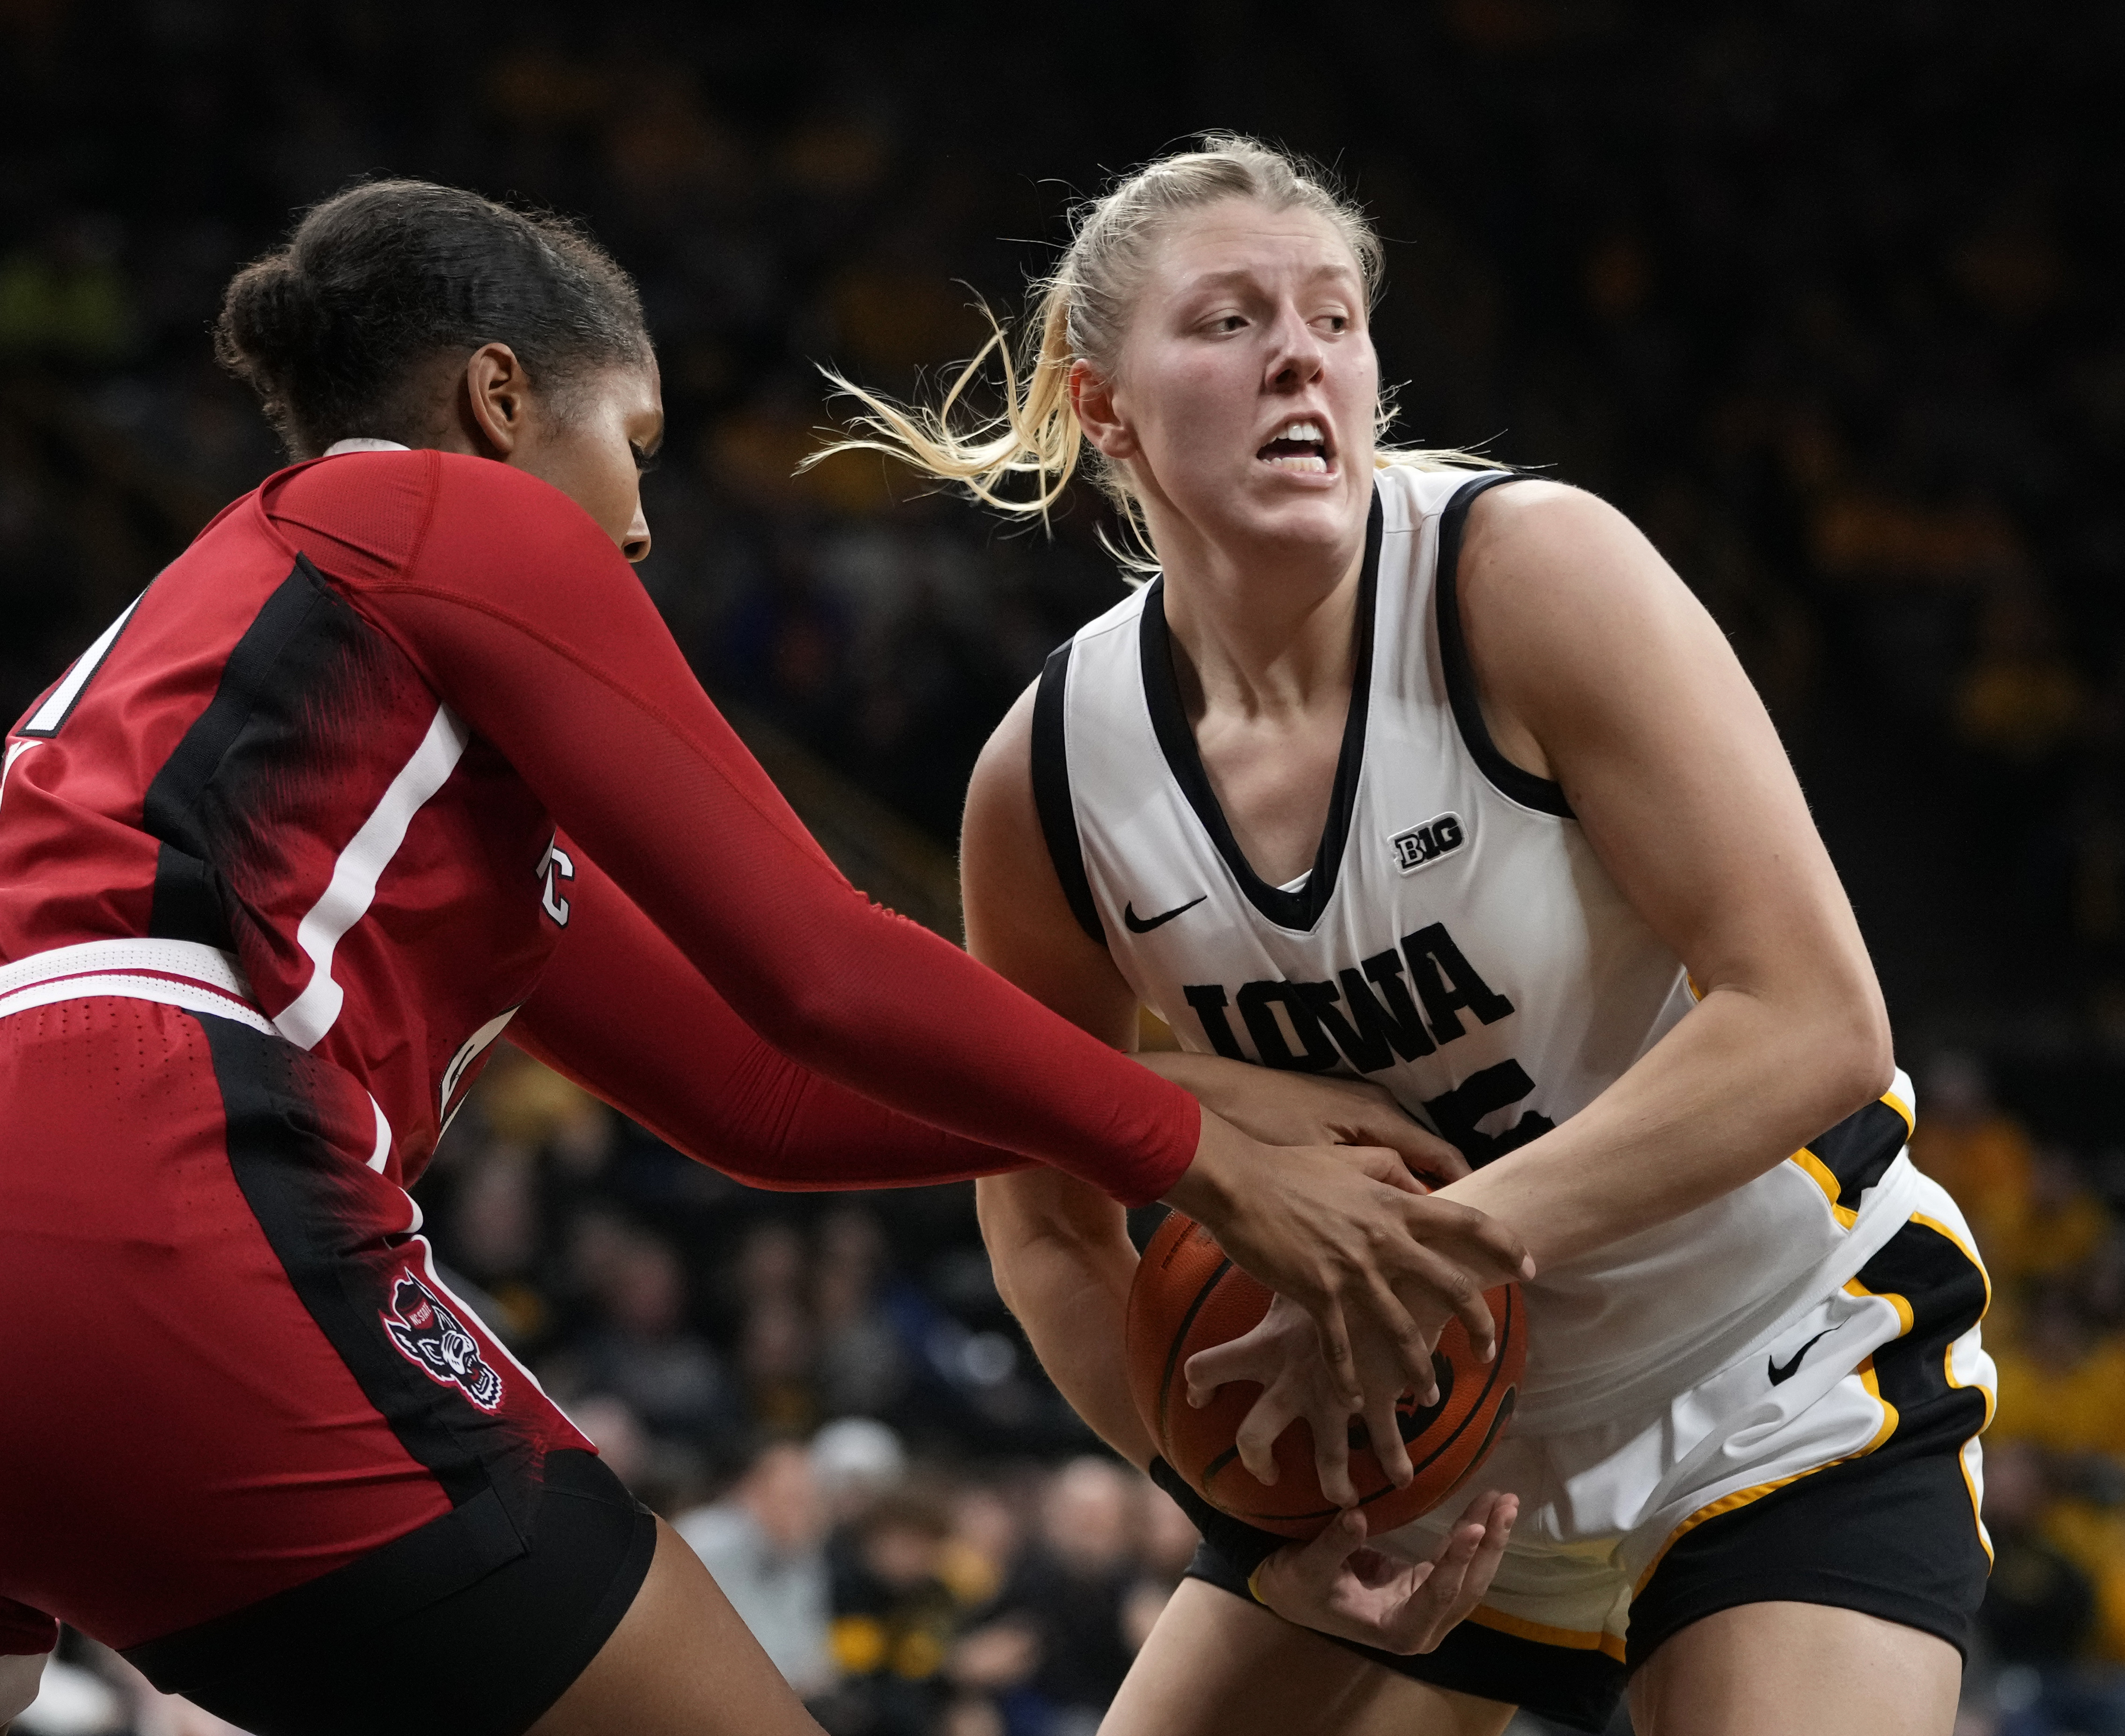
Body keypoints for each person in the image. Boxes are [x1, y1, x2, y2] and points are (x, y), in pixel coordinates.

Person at [0, 177, 1527, 1736]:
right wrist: (1199, 1165)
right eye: (633, 447)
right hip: (108, 1166)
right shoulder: (432, 506)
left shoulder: (340, 727)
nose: (637, 522)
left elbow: (768, 1105)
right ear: (499, 399)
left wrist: (1184, 1083)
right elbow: (817, 963)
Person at [833, 136, 1995, 1735]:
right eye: (1229, 321)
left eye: (1332, 316)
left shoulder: (1526, 575)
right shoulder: (1046, 778)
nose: (1298, 353)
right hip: (1410, 1456)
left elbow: (1811, 1017)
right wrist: (1250, 1508)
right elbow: (1040, 1222)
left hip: (1766, 1373)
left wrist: (1414, 1257)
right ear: (1100, 402)